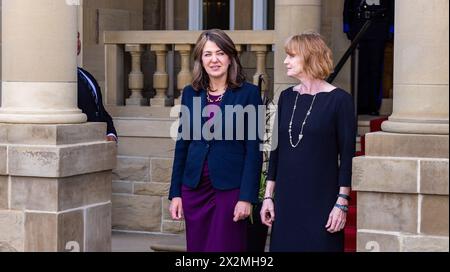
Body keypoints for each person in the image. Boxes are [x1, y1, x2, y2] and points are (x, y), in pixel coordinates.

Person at [260, 32, 356, 252]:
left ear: (310, 57)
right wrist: (268, 197)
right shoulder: (286, 97)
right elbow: (276, 152)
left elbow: (347, 157)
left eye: (291, 56)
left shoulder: (340, 100)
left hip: (321, 201)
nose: (285, 61)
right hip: (286, 201)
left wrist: (341, 203)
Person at [168, 29, 263, 252]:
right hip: (194, 188)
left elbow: (253, 150)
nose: (214, 60)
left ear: (230, 58)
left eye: (220, 53)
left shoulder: (248, 93)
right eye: (208, 54)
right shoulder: (191, 93)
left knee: (227, 248)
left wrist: (247, 197)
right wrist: (175, 193)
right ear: (200, 59)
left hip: (229, 189)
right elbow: (182, 145)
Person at [343, 0, 394, 115]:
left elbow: (391, 7)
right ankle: (360, 105)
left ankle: (373, 106)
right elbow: (348, 6)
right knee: (361, 70)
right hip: (359, 28)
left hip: (379, 29)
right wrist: (346, 26)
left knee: (375, 69)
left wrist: (391, 29)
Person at [77, 32, 117, 141]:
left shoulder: (86, 75)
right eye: (74, 38)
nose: (78, 43)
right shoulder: (59, 84)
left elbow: (100, 111)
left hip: (98, 146)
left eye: (78, 37)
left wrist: (111, 133)